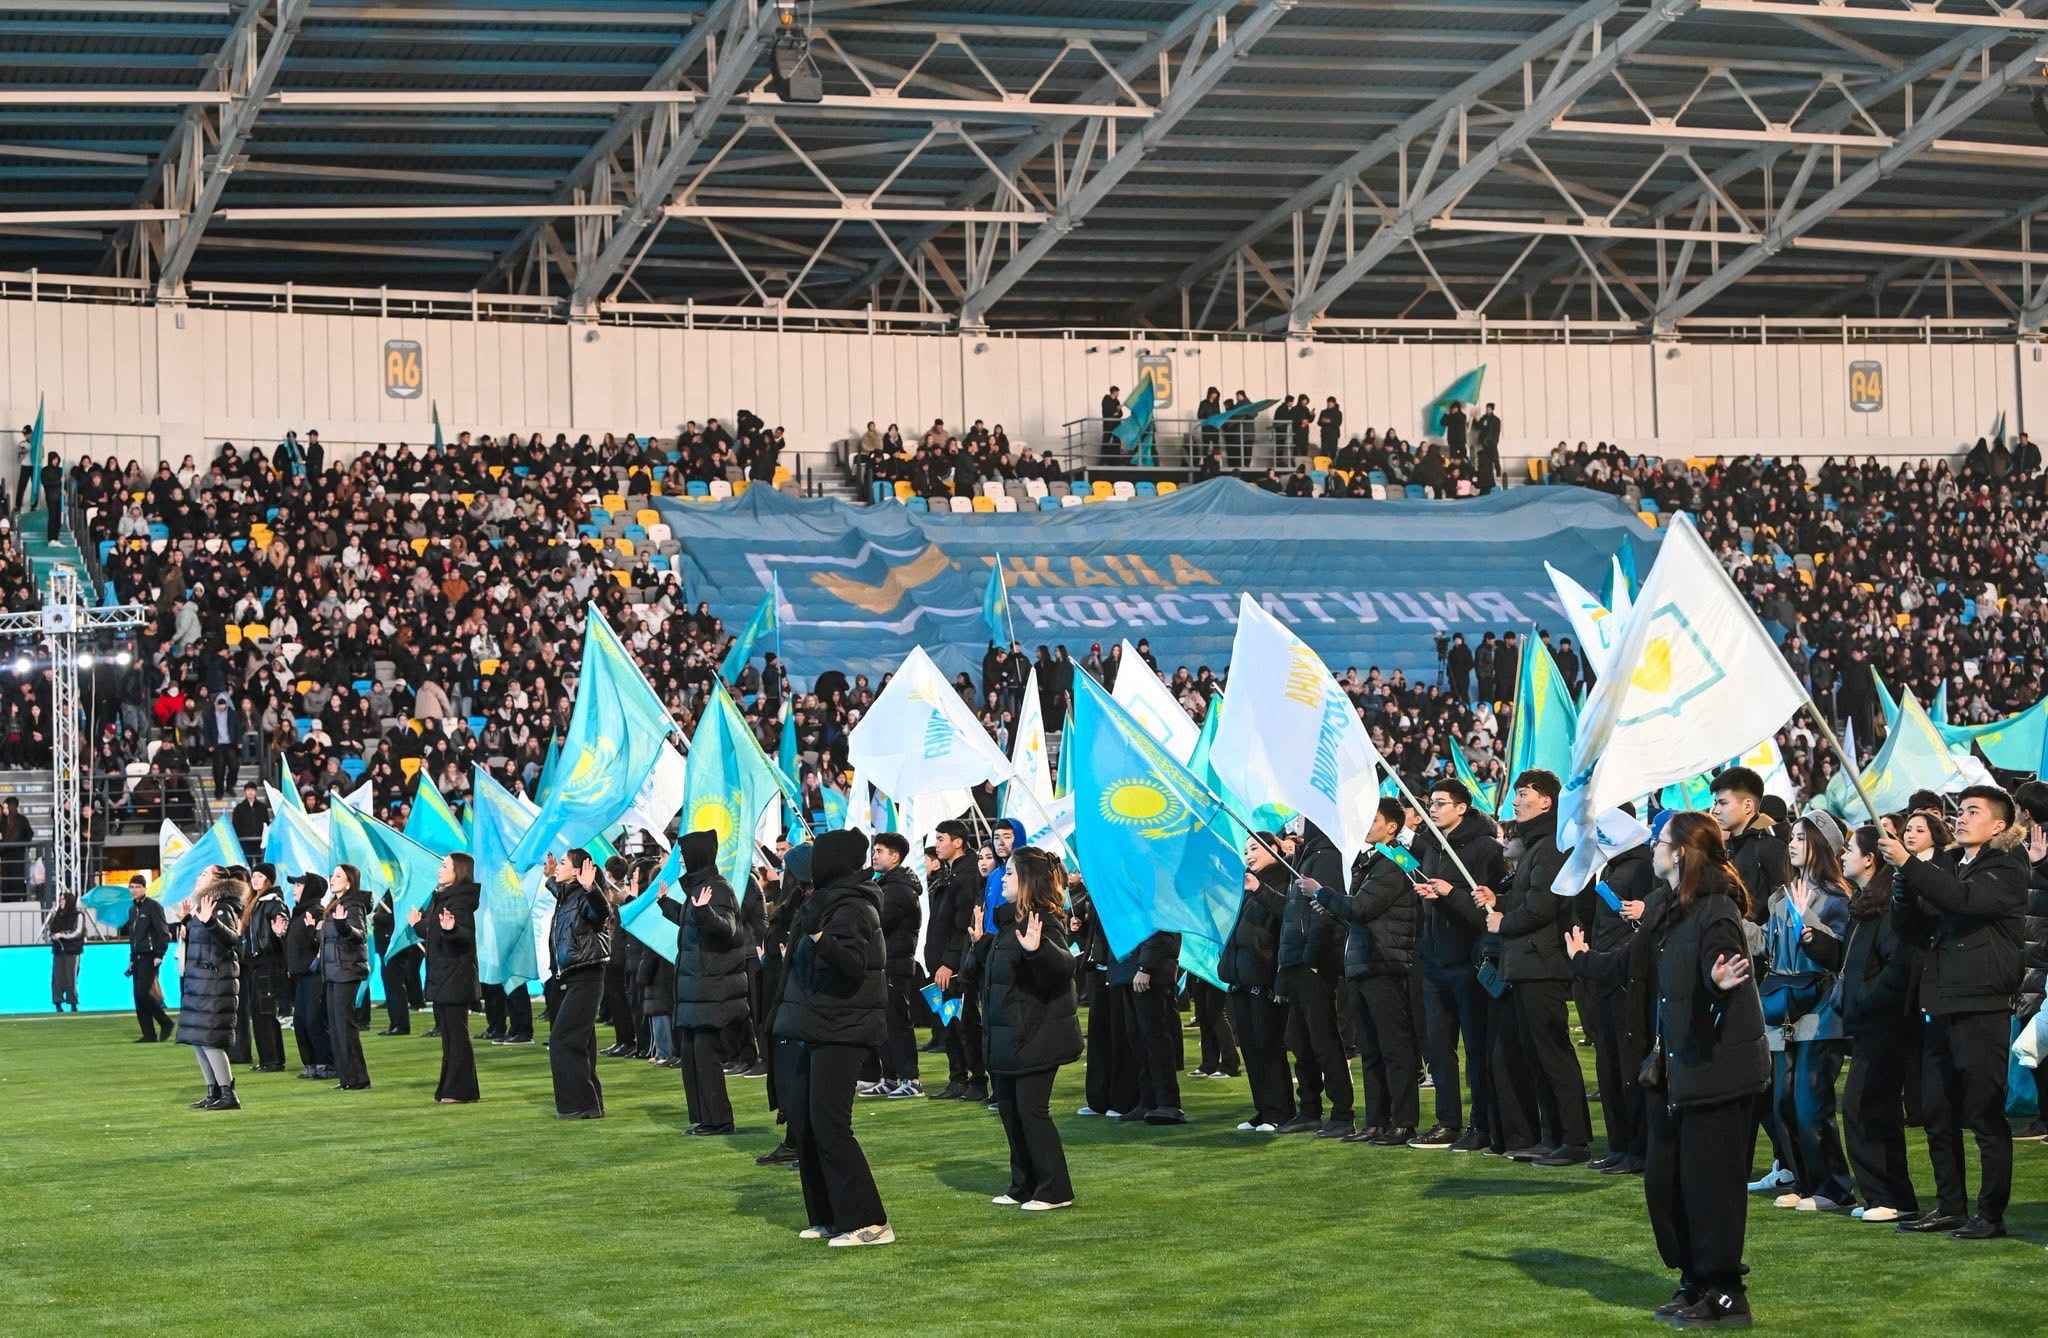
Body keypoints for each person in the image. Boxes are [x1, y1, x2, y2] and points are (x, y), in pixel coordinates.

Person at [1569, 810, 1766, 1329]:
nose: (1653, 848)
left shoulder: (1717, 910)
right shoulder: (1662, 908)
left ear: (1681, 852)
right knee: (1665, 1183)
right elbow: (1625, 965)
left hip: (1715, 1069)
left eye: (1660, 842)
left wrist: (1720, 980)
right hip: (1670, 1068)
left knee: (1711, 1186)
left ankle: (1726, 1291)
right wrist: (1583, 959)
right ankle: (1694, 1280)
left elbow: (1722, 966)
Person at [1884, 784, 2029, 1240]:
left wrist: (1911, 865)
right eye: (1960, 810)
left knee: (1984, 1113)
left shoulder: (2006, 866)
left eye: (1973, 811)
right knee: (1937, 1112)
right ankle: (1950, 1207)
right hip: (1941, 1003)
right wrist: (1905, 883)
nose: (1961, 817)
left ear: (1999, 824)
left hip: (1981, 1004)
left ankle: (1990, 1213)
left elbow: (1965, 903)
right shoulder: (1949, 866)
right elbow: (1913, 925)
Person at [774, 829, 893, 1247]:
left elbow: (853, 965)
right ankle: (829, 1215)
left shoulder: (854, 906)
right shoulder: (824, 902)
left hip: (843, 1028)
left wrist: (821, 942)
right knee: (806, 1124)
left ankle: (870, 1222)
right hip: (818, 1024)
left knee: (830, 1125)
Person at [1801, 825, 1919, 1222]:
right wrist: (1814, 941)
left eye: (1849, 849)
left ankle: (1890, 1197)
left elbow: (1894, 966)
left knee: (1867, 1106)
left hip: (1884, 1022)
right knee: (1865, 1106)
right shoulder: (1865, 904)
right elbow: (1850, 960)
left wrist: (1867, 999)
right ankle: (1882, 1196)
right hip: (1869, 1020)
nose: (1843, 856)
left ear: (1870, 859)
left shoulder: (1886, 906)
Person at [1481, 769, 1593, 1165]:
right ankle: (1553, 1137)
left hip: (1542, 966)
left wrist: (1503, 921)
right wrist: (1498, 901)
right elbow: (1529, 901)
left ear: (1546, 800)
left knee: (1553, 1054)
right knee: (1537, 1056)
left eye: (1523, 793)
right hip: (1528, 964)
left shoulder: (1548, 847)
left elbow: (1543, 906)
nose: (1515, 800)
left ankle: (1574, 1141)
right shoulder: (1538, 845)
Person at [964, 845, 1082, 1210]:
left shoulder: (1042, 921)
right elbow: (992, 976)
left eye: (1011, 873)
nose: (1003, 879)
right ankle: (1023, 1185)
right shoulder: (1007, 924)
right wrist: (982, 945)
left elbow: (1062, 968)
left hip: (1036, 1034)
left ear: (1028, 880)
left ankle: (1054, 1189)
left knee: (1032, 1112)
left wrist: (1037, 950)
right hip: (1007, 1035)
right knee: (1011, 1112)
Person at [1759, 811, 1855, 1213]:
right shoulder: (1778, 897)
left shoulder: (1838, 899)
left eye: (1802, 837)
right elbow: (1766, 946)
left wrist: (1805, 916)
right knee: (1782, 1103)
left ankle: (1833, 1188)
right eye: (1792, 837)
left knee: (1810, 1103)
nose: (1793, 844)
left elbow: (1832, 953)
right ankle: (1802, 1180)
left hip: (1820, 1014)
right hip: (1782, 1014)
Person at [1409, 778, 1505, 1150]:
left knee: (1477, 1048)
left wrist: (1451, 895)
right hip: (1433, 962)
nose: (1432, 809)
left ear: (1462, 808)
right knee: (1438, 1048)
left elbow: (1491, 908)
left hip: (1467, 962)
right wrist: (1431, 896)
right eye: (1431, 803)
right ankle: (1447, 1122)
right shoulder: (1433, 847)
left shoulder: (1485, 850)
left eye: (1441, 803)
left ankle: (1481, 1123)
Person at [1316, 798, 1419, 1144]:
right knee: (1371, 1050)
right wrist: (1332, 906)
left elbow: (1362, 907)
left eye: (1373, 819)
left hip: (1384, 964)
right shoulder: (1373, 863)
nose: (1365, 824)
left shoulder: (1392, 863)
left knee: (1394, 1048)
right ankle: (1376, 1120)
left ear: (1392, 826)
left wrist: (1324, 894)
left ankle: (1403, 1122)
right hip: (1364, 962)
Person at [662, 831, 746, 1135]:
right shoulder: (699, 888)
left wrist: (703, 911)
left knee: (705, 1057)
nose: (680, 859)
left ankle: (719, 1120)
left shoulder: (718, 889)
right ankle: (705, 1118)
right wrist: (666, 905)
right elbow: (693, 923)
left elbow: (727, 930)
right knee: (693, 1056)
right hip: (699, 990)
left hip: (712, 990)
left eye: (683, 854)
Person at [1276, 820, 1352, 1137]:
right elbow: (1293, 916)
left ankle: (1341, 1113)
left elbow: (1327, 913)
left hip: (1313, 963)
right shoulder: (1307, 854)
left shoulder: (1328, 856)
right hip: (1295, 960)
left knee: (1323, 1039)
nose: (1297, 821)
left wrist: (1315, 959)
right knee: (1299, 1040)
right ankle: (1308, 1109)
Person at [1222, 832, 1293, 1132]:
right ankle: (1263, 1110)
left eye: (1254, 848)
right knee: (1250, 1048)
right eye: (1246, 850)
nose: (1249, 855)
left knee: (1268, 1047)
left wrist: (1261, 889)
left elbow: (1288, 915)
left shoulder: (1285, 879)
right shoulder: (1249, 885)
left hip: (1265, 981)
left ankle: (1280, 1111)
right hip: (1240, 980)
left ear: (1274, 849)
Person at [546, 848, 615, 1120]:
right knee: (581, 1042)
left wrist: (592, 889)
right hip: (568, 976)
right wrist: (550, 875)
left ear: (577, 871)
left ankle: (579, 1104)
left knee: (563, 1040)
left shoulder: (585, 895)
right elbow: (556, 887)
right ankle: (589, 1104)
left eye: (563, 862)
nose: (558, 865)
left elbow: (601, 913)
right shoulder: (566, 894)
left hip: (586, 974)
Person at [413, 852, 481, 1104]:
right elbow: (437, 933)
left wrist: (453, 929)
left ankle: (458, 1090)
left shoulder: (459, 902)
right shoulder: (445, 899)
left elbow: (463, 936)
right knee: (451, 1036)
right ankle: (456, 1089)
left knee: (456, 1035)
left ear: (459, 871)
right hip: (444, 976)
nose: (440, 869)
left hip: (455, 977)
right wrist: (419, 926)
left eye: (445, 866)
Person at [175, 868, 246, 1110]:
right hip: (201, 982)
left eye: (205, 873)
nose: (198, 876)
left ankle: (228, 1093)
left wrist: (209, 921)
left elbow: (231, 938)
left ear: (217, 881)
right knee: (198, 1039)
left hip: (215, 982)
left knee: (210, 1039)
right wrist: (187, 921)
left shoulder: (222, 907)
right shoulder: (205, 906)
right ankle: (213, 1090)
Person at [925, 820, 983, 1102]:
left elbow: (961, 926)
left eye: (941, 838)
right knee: (949, 1024)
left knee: (963, 1023)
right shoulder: (950, 874)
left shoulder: (967, 874)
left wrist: (949, 963)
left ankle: (976, 1079)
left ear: (958, 841)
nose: (937, 844)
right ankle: (958, 1078)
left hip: (954, 967)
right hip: (940, 965)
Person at [871, 832, 925, 1097]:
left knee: (897, 1022)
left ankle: (910, 1079)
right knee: (883, 1023)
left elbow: (877, 921)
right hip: (884, 963)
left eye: (879, 850)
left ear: (895, 856)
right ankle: (890, 1077)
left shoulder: (899, 889)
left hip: (895, 963)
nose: (874, 854)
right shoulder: (886, 884)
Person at [320, 864, 372, 1091]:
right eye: (332, 875)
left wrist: (342, 927)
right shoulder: (334, 905)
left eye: (338, 876)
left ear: (349, 882)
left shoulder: (353, 905)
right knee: (336, 1026)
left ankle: (357, 1078)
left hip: (346, 971)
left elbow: (358, 935)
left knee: (344, 1026)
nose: (333, 879)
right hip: (334, 972)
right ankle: (347, 1078)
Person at [284, 872, 333, 1079]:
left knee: (313, 1020)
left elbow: (322, 943)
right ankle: (311, 1064)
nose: (294, 889)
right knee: (301, 1021)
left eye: (298, 885)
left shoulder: (317, 911)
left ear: (310, 889)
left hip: (314, 975)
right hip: (300, 976)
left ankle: (327, 1064)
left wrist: (314, 929)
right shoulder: (299, 913)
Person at [243, 867, 289, 1072]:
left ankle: (272, 1060)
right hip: (256, 964)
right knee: (260, 1012)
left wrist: (281, 933)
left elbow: (282, 928)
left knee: (265, 1012)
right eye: (253, 876)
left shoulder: (272, 903)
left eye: (260, 876)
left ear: (268, 880)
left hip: (267, 964)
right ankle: (270, 1059)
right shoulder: (256, 903)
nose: (255, 880)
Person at [126, 874, 175, 1042]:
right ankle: (148, 1034)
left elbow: (163, 932)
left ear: (144, 888)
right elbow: (133, 938)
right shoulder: (132, 910)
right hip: (138, 957)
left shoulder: (153, 906)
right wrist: (131, 959)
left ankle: (165, 1022)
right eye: (131, 887)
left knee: (143, 993)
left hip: (150, 955)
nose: (134, 890)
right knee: (137, 996)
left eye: (137, 887)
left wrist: (160, 954)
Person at [45, 890, 84, 1011]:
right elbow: (50, 930)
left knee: (70, 977)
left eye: (63, 899)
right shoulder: (57, 915)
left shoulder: (78, 915)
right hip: (58, 950)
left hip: (72, 951)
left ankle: (73, 1003)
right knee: (57, 977)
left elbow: (77, 932)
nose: (60, 902)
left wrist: (62, 935)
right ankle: (58, 1002)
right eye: (60, 899)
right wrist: (53, 935)